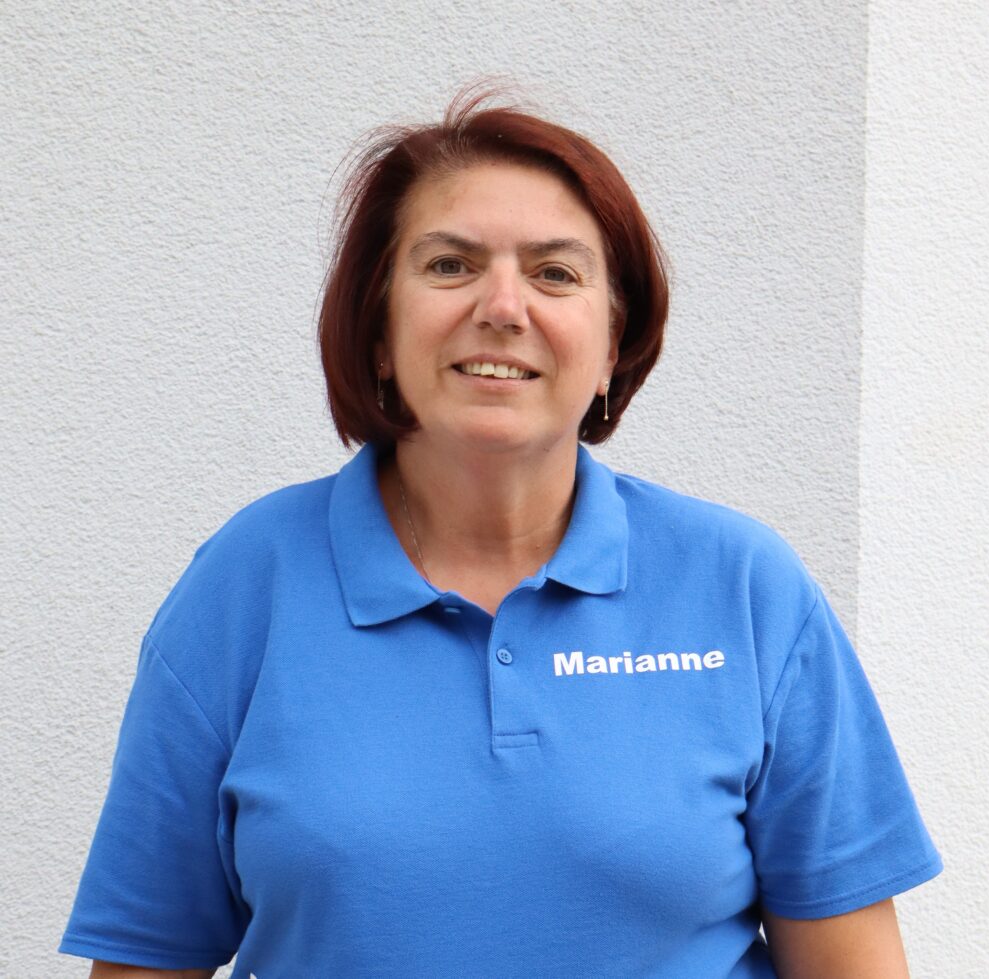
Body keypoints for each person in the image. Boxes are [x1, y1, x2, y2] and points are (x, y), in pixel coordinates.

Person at [60, 91, 942, 978]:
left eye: (556, 274)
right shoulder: (245, 585)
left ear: (612, 345)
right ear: (378, 328)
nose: (504, 307)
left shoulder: (744, 588)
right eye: (450, 265)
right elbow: (144, 962)